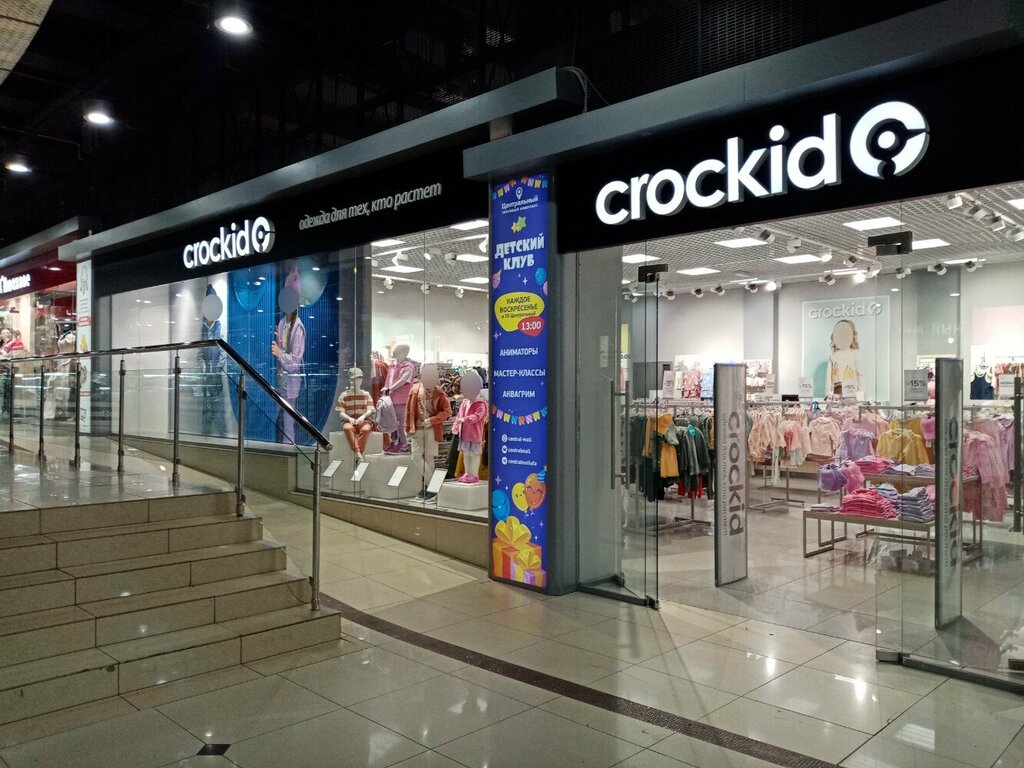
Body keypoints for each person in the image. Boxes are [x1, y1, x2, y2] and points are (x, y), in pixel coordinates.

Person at [272, 267, 306, 444]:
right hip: (280, 381)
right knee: (280, 418)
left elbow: (295, 362)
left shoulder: (298, 327)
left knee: (288, 422)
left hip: (290, 383)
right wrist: (279, 346)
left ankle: (288, 448)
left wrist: (280, 353)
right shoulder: (281, 323)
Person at [198, 285, 226, 437]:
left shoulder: (220, 327)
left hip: (215, 377)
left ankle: (223, 437)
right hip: (205, 377)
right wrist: (203, 369)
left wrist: (215, 370)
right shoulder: (203, 327)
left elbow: (223, 353)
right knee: (206, 408)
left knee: (218, 408)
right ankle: (205, 437)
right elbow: (200, 352)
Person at [336, 367, 375, 462]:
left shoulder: (366, 394)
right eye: (353, 379)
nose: (356, 381)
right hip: (349, 420)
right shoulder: (344, 395)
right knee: (347, 428)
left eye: (358, 379)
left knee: (366, 429)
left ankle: (359, 455)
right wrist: (349, 419)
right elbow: (341, 413)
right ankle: (358, 454)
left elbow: (370, 410)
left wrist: (363, 416)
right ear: (349, 380)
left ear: (361, 380)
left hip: (364, 420)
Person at [828, 319, 862, 396]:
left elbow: (860, 375)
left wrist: (860, 395)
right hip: (836, 394)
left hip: (851, 394)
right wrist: (828, 395)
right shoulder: (833, 354)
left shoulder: (856, 353)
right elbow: (828, 377)